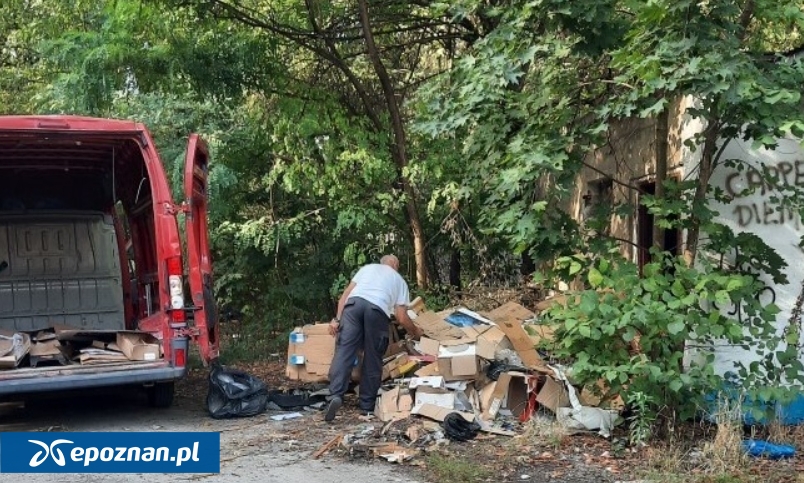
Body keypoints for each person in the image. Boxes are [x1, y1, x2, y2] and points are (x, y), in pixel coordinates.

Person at [324, 254, 423, 422]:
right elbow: (401, 317)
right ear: (395, 265)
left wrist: (337, 320)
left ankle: (335, 395)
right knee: (373, 356)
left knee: (344, 351)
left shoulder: (366, 269)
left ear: (382, 263)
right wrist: (415, 331)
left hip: (353, 307)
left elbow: (344, 297)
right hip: (377, 311)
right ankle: (366, 406)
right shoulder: (399, 280)